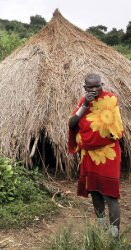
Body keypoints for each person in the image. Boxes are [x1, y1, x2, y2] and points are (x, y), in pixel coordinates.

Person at [68, 73, 124, 238]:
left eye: (97, 86)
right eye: (90, 87)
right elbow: (72, 123)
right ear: (85, 88)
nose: (94, 89)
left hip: (108, 153)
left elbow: (114, 127)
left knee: (110, 194)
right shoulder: (83, 102)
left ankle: (114, 237)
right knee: (94, 191)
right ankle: (102, 229)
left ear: (102, 85)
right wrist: (84, 105)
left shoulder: (110, 100)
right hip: (90, 155)